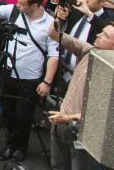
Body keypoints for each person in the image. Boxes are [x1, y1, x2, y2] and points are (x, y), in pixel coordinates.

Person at [0, 0, 59, 163]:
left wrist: (47, 82)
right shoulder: (14, 11)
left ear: (35, 4)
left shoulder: (50, 24)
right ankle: (9, 144)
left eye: (22, 3)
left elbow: (54, 56)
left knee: (24, 116)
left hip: (30, 78)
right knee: (8, 112)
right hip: (8, 71)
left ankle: (21, 147)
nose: (17, 5)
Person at [47, 13, 114, 170]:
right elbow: (54, 34)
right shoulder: (88, 50)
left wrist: (70, 117)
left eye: (105, 35)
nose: (97, 35)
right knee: (57, 166)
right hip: (60, 122)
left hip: (85, 134)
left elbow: (106, 114)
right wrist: (59, 18)